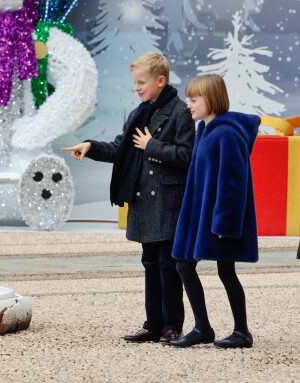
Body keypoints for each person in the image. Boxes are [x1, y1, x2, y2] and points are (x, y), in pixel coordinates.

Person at [61, 51, 195, 344]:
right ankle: (153, 325)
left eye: (141, 82)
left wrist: (152, 146)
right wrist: (91, 146)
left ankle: (173, 325)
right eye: (135, 83)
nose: (136, 88)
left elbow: (187, 156)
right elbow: (119, 148)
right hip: (145, 201)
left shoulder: (181, 112)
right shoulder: (139, 112)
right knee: (150, 263)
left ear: (161, 81)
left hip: (168, 201)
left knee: (168, 266)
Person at [170, 74, 259, 349]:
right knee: (184, 264)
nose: (189, 105)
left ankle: (242, 332)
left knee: (226, 270)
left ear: (211, 100)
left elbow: (233, 182)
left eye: (194, 100)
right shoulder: (205, 131)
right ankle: (202, 328)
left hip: (217, 219)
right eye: (188, 99)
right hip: (199, 215)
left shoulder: (227, 133)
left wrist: (225, 224)